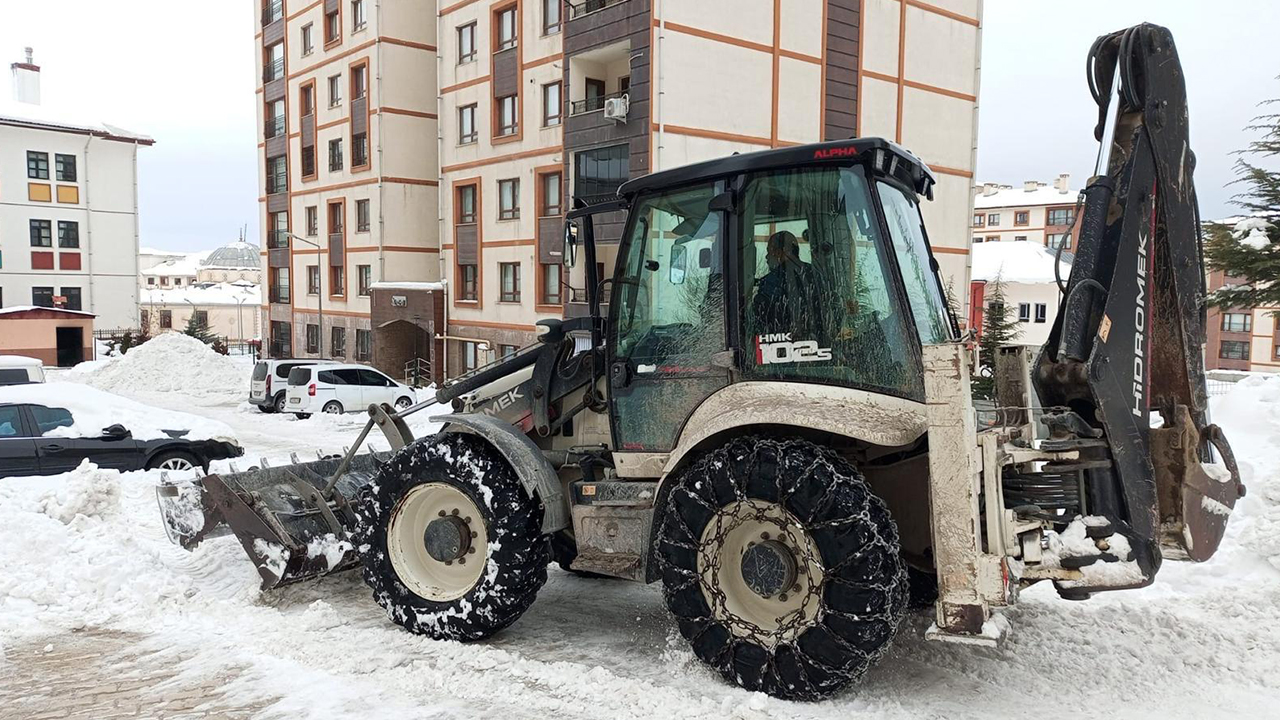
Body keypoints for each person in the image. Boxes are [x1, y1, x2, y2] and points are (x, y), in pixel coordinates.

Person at [751, 230, 816, 335]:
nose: (766, 257)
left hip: (780, 342)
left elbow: (762, 320)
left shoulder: (770, 281)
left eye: (769, 252)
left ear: (778, 253)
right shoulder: (816, 274)